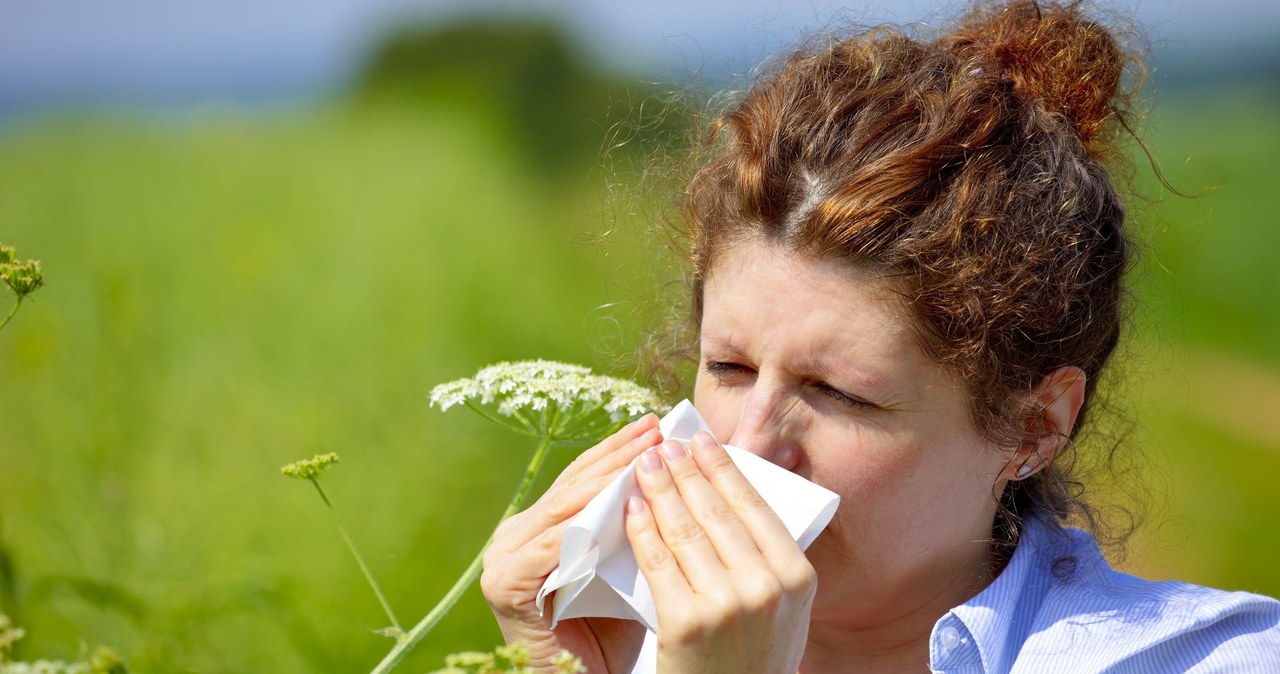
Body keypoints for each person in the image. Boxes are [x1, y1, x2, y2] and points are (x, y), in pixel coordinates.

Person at [479, 1, 1280, 672]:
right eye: (727, 366)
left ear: (1035, 423)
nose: (750, 447)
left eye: (841, 394)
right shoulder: (635, 645)